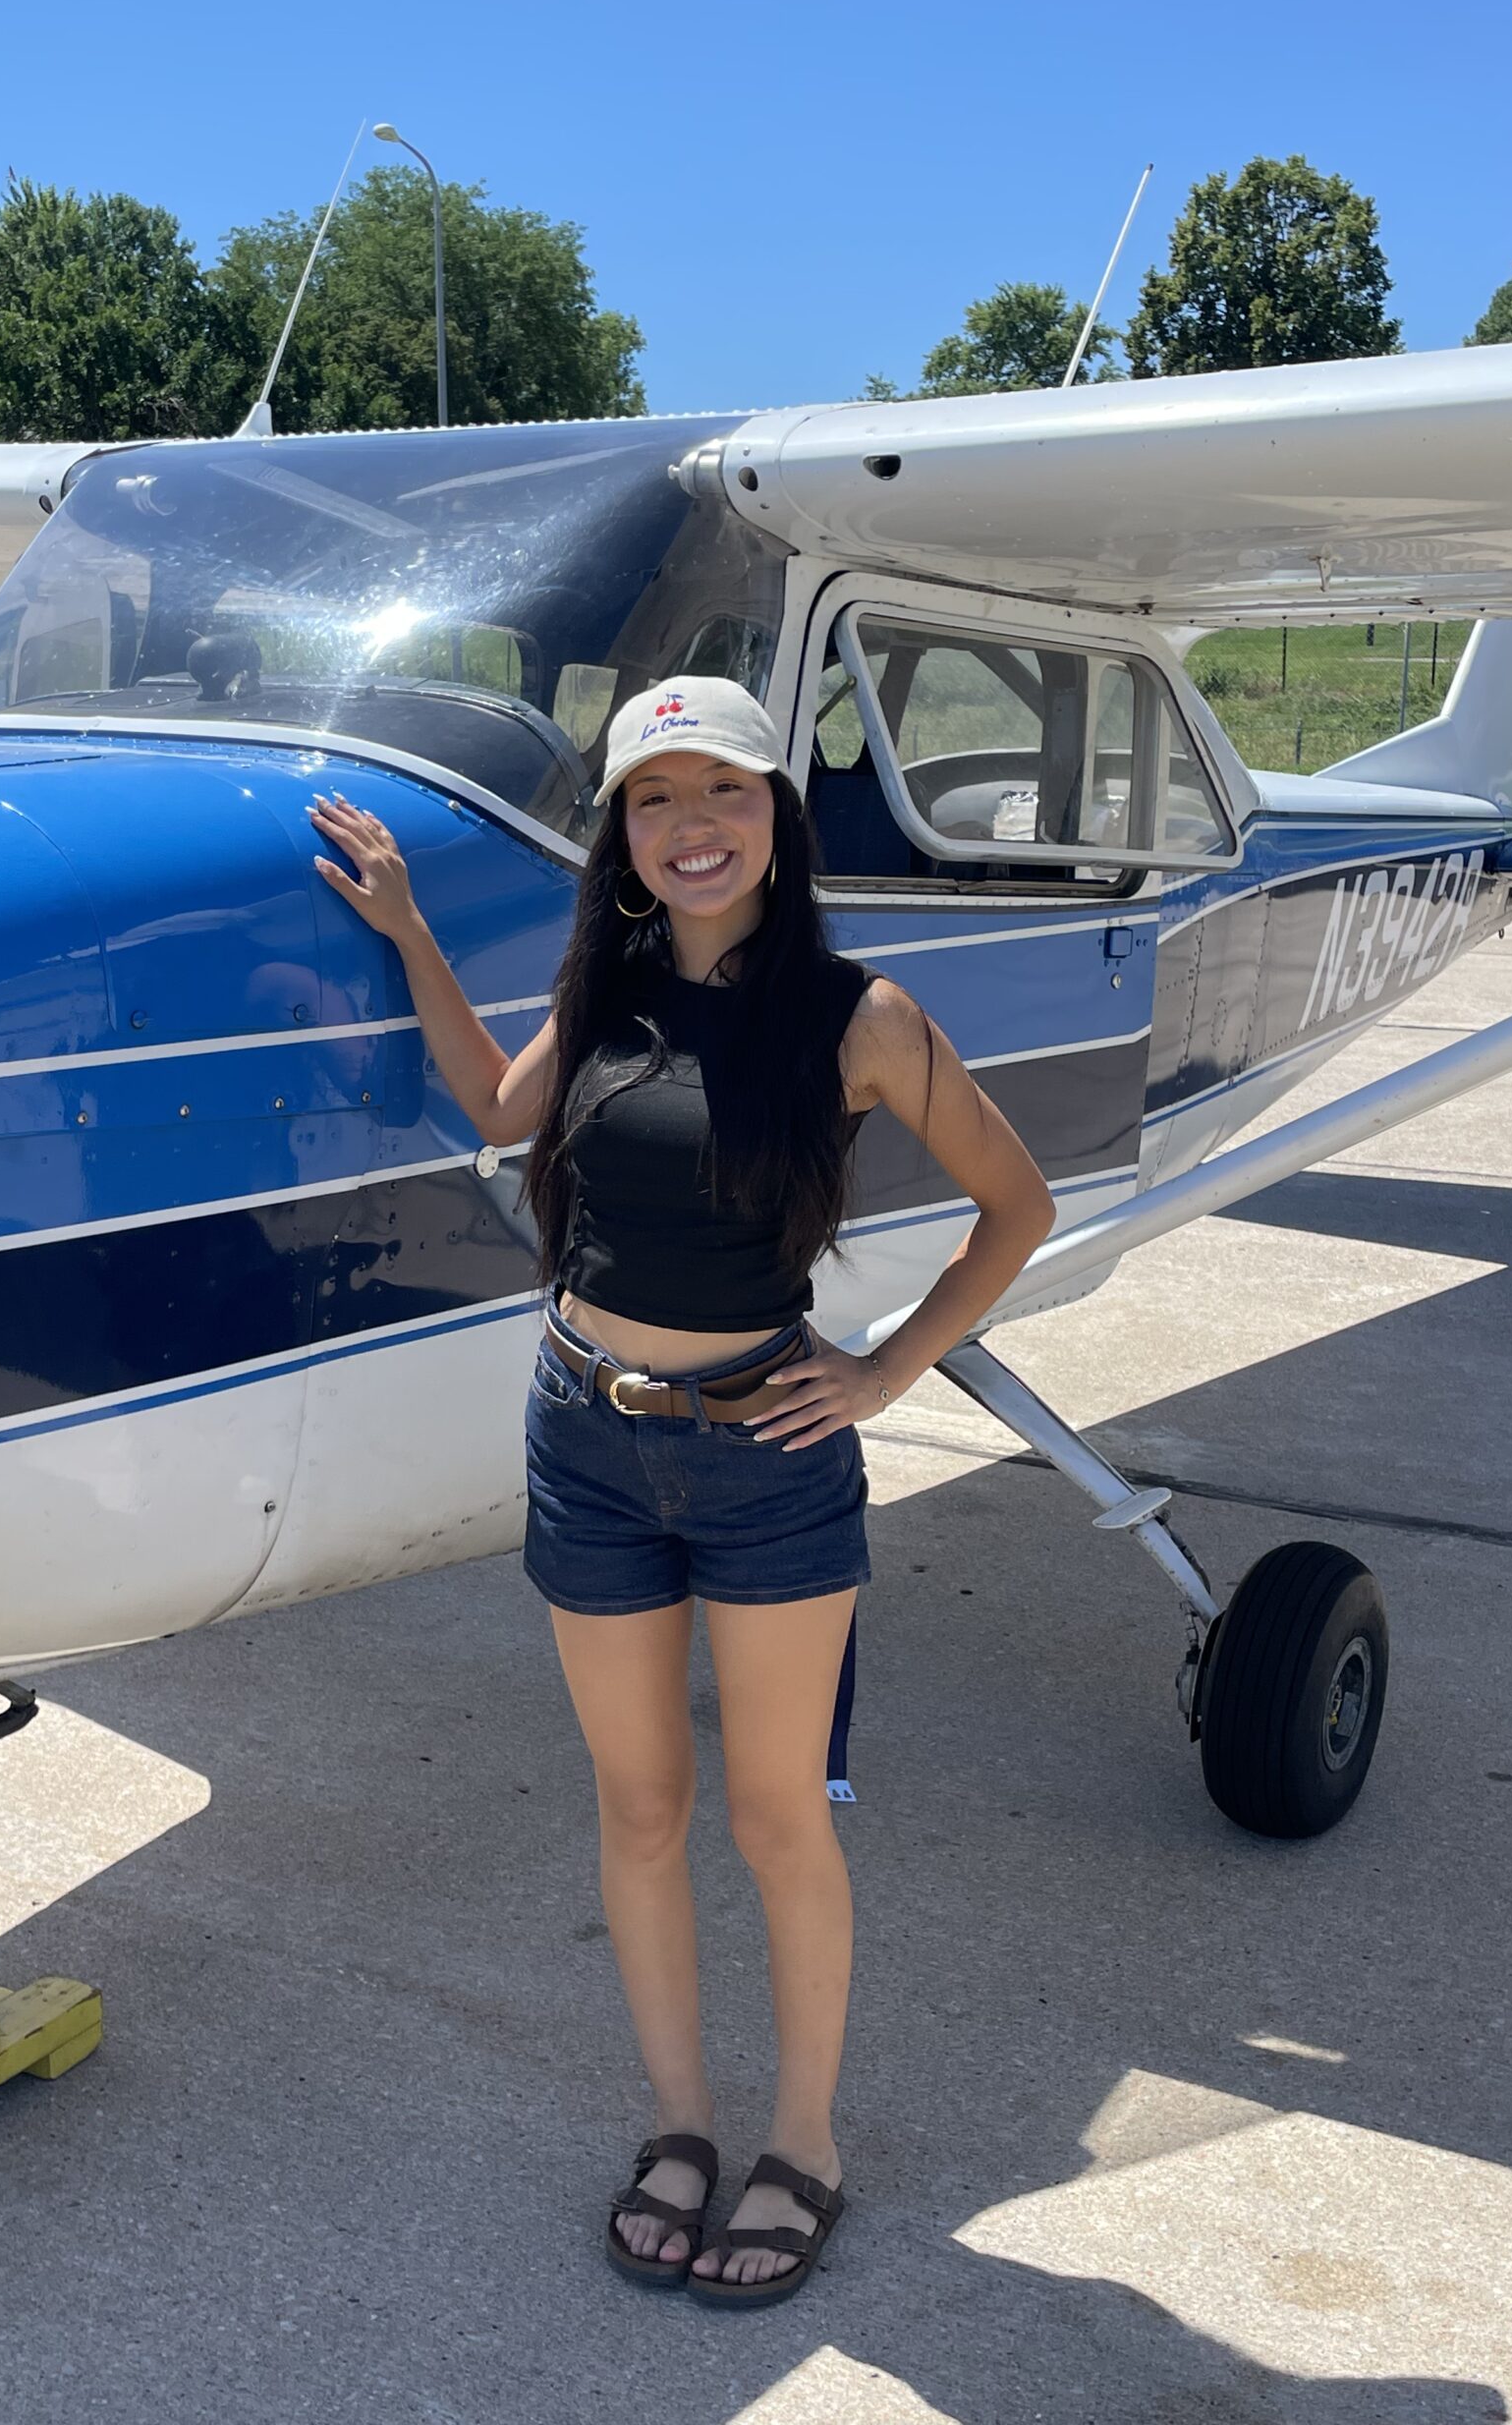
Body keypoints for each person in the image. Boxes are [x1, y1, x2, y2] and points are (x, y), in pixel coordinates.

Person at [309, 674, 1055, 2308]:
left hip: (765, 1460)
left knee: (776, 1816)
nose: (691, 825)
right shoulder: (611, 986)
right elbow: (496, 1105)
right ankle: (679, 2125)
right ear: (625, 836)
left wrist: (885, 1375)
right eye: (655, 798)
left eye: (724, 791)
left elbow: (1018, 1207)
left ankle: (804, 2146)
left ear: (778, 813)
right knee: (640, 1807)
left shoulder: (863, 1019)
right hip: (585, 1440)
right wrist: (412, 929)